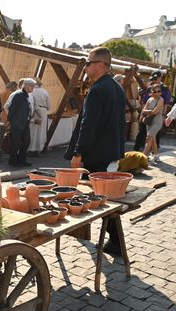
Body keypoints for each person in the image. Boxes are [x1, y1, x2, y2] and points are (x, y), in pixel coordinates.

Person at [65, 47, 125, 256]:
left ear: (100, 65)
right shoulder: (116, 87)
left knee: (102, 200)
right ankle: (116, 241)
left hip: (97, 154)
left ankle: (116, 242)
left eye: (88, 63)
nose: (86, 67)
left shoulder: (99, 89)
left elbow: (88, 125)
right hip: (109, 152)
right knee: (104, 198)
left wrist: (78, 153)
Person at [5, 78, 36, 167]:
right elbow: (11, 109)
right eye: (32, 87)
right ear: (26, 86)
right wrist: (12, 121)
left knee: (26, 141)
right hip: (18, 123)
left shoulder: (26, 95)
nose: (33, 89)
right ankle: (13, 160)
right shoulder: (18, 95)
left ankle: (21, 159)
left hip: (25, 122)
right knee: (15, 142)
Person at [141, 84, 164, 162]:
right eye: (155, 91)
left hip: (157, 122)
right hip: (149, 121)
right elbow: (143, 109)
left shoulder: (161, 100)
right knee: (152, 139)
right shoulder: (149, 99)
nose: (157, 93)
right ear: (151, 92)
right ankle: (156, 155)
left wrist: (147, 111)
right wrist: (148, 111)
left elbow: (155, 112)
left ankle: (142, 157)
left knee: (148, 138)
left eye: (159, 91)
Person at [28, 78, 51, 155]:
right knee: (41, 132)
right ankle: (39, 149)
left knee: (32, 131)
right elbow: (49, 106)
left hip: (33, 112)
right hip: (43, 112)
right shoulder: (45, 92)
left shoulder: (31, 92)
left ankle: (30, 148)